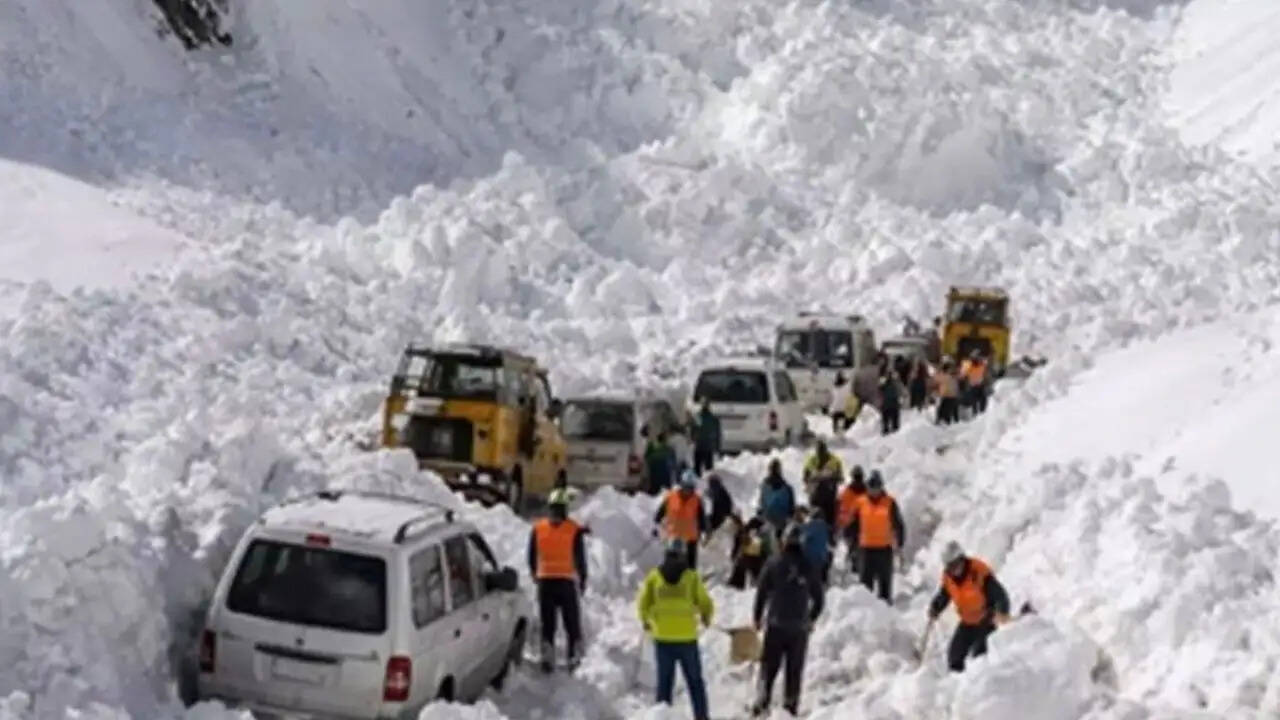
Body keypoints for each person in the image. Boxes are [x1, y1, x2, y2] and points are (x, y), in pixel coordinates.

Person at [636, 538, 714, 720]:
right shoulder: (691, 577)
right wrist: (706, 617)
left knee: (664, 684)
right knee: (695, 683)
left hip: (663, 639)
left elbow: (643, 603)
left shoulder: (654, 577)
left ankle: (662, 717)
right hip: (687, 639)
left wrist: (646, 620)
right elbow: (705, 602)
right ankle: (701, 717)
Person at [751, 524, 824, 717]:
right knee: (794, 671)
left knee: (768, 668)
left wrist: (757, 617)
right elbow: (819, 599)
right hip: (799, 628)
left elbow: (761, 592)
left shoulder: (773, 563)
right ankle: (790, 708)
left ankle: (762, 702)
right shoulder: (808, 565)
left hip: (776, 624)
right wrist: (811, 618)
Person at [527, 488, 588, 671]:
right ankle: (573, 658)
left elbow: (531, 555)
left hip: (545, 583)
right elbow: (580, 558)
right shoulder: (573, 529)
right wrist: (583, 578)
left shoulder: (538, 528)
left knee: (548, 624)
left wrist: (535, 575)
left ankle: (547, 658)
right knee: (571, 623)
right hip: (565, 582)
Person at [928, 541, 1011, 672]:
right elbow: (945, 594)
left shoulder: (978, 572)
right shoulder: (948, 577)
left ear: (962, 559)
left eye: (956, 564)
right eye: (950, 566)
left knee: (979, 656)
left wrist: (1002, 611)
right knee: (954, 657)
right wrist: (936, 607)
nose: (954, 569)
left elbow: (1000, 595)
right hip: (967, 621)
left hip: (986, 620)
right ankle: (957, 687)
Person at [847, 471, 904, 604]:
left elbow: (898, 524)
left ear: (881, 486)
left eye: (876, 486)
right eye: (871, 486)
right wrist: (851, 542)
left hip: (884, 550)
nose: (874, 490)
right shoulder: (860, 502)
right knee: (865, 589)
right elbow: (853, 525)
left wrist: (899, 542)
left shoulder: (889, 502)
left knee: (884, 588)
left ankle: (885, 616)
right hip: (866, 550)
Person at [654, 470, 707, 569]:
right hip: (673, 537)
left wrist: (704, 530)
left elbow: (701, 517)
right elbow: (660, 513)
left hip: (690, 538)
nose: (688, 491)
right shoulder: (671, 497)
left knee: (690, 568)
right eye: (687, 487)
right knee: (672, 565)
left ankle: (691, 582)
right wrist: (656, 526)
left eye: (691, 488)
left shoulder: (697, 500)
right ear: (682, 485)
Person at [835, 466, 868, 573]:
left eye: (859, 477)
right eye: (856, 477)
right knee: (854, 548)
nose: (857, 479)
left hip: (862, 525)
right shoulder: (846, 492)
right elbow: (839, 509)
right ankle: (853, 566)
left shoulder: (866, 491)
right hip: (851, 526)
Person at [729, 514, 774, 589]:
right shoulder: (763, 531)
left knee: (743, 564)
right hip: (756, 559)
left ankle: (737, 583)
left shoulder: (745, 532)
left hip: (751, 558)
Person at [757, 460, 797, 539]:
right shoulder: (787, 488)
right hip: (782, 522)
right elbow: (791, 509)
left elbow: (761, 504)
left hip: (767, 520)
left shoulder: (764, 486)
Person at [800, 508, 832, 586]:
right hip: (821, 560)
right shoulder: (826, 527)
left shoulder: (806, 526)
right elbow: (830, 543)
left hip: (808, 559)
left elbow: (801, 539)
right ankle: (824, 581)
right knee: (829, 555)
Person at [690, 398, 722, 475]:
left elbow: (692, 431)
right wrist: (717, 447)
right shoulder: (713, 419)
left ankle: (699, 483)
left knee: (698, 470)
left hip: (701, 446)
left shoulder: (697, 417)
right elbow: (718, 434)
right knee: (708, 470)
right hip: (707, 446)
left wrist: (693, 439)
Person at [645, 430, 678, 494]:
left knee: (654, 483)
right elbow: (673, 459)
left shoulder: (652, 445)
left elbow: (646, 456)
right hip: (664, 468)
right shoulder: (668, 447)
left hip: (654, 467)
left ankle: (653, 492)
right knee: (665, 484)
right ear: (664, 440)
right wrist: (674, 467)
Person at [933, 359, 960, 425]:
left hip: (950, 396)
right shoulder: (947, 375)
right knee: (943, 412)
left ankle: (946, 424)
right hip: (947, 396)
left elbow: (935, 379)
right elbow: (935, 380)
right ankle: (945, 424)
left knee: (945, 412)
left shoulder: (949, 375)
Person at [879, 370, 903, 436]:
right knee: (894, 420)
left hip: (886, 404)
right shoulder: (897, 383)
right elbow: (900, 392)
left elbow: (880, 391)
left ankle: (886, 430)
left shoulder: (884, 383)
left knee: (886, 420)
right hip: (893, 404)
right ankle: (894, 432)